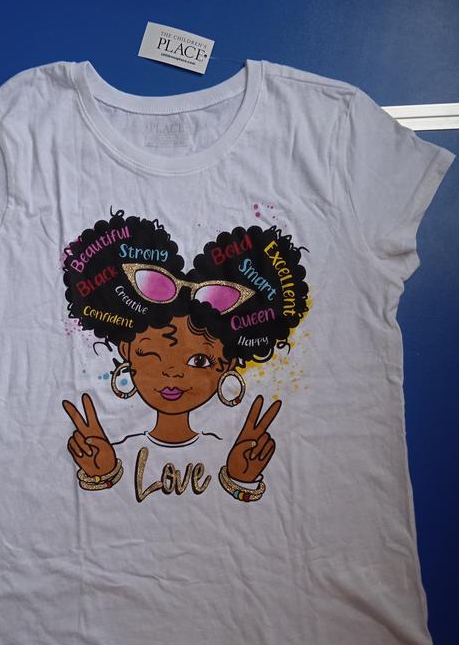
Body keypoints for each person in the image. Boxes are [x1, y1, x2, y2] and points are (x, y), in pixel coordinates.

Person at [61, 208, 309, 503]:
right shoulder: (117, 451)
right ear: (126, 351)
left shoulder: (228, 451)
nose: (172, 373)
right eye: (151, 354)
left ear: (227, 364)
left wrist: (241, 478)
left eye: (199, 360)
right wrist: (103, 472)